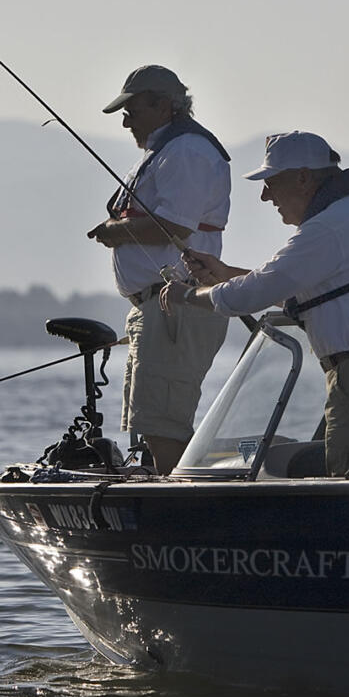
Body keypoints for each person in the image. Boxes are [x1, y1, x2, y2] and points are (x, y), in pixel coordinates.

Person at [160, 130, 349, 477]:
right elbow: (309, 285)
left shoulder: (327, 229)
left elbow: (253, 294)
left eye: (271, 182)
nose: (265, 196)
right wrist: (224, 274)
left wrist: (186, 295)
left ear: (304, 178)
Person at [87, 65, 231, 474]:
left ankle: (185, 510)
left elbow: (174, 225)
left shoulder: (187, 152)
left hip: (176, 306)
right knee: (150, 423)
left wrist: (116, 233)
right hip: (157, 307)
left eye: (132, 109)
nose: (125, 119)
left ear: (164, 106)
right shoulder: (164, 151)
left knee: (163, 425)